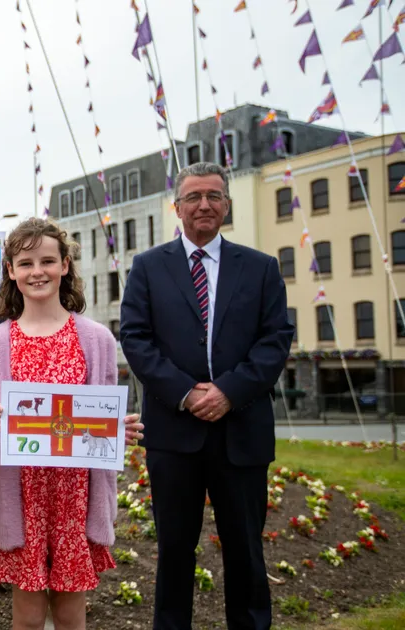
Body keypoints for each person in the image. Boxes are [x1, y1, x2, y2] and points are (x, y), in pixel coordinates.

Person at [119, 162, 293, 630]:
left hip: (242, 430)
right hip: (174, 435)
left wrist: (228, 392)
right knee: (174, 548)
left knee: (246, 549)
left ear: (227, 206)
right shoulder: (148, 268)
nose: (204, 205)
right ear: (176, 207)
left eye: (214, 196)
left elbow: (276, 339)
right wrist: (184, 393)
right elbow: (135, 338)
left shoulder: (260, 268)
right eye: (193, 196)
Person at [0, 218, 144, 630]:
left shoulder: (97, 338)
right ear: (11, 271)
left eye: (48, 260)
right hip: (24, 495)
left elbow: (100, 415)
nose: (38, 271)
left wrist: (116, 430)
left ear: (65, 265)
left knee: (71, 615)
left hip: (75, 496)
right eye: (26, 262)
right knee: (28, 617)